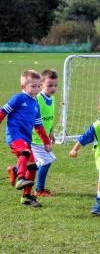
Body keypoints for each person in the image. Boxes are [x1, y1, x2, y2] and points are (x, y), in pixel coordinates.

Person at [0, 70, 52, 207]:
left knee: (33, 167)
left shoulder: (36, 105)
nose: (37, 89)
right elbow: (2, 112)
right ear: (24, 87)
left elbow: (39, 127)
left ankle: (27, 197)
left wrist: (46, 142)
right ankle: (21, 178)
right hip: (14, 136)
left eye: (38, 86)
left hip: (26, 139)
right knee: (25, 152)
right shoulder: (18, 98)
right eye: (33, 86)